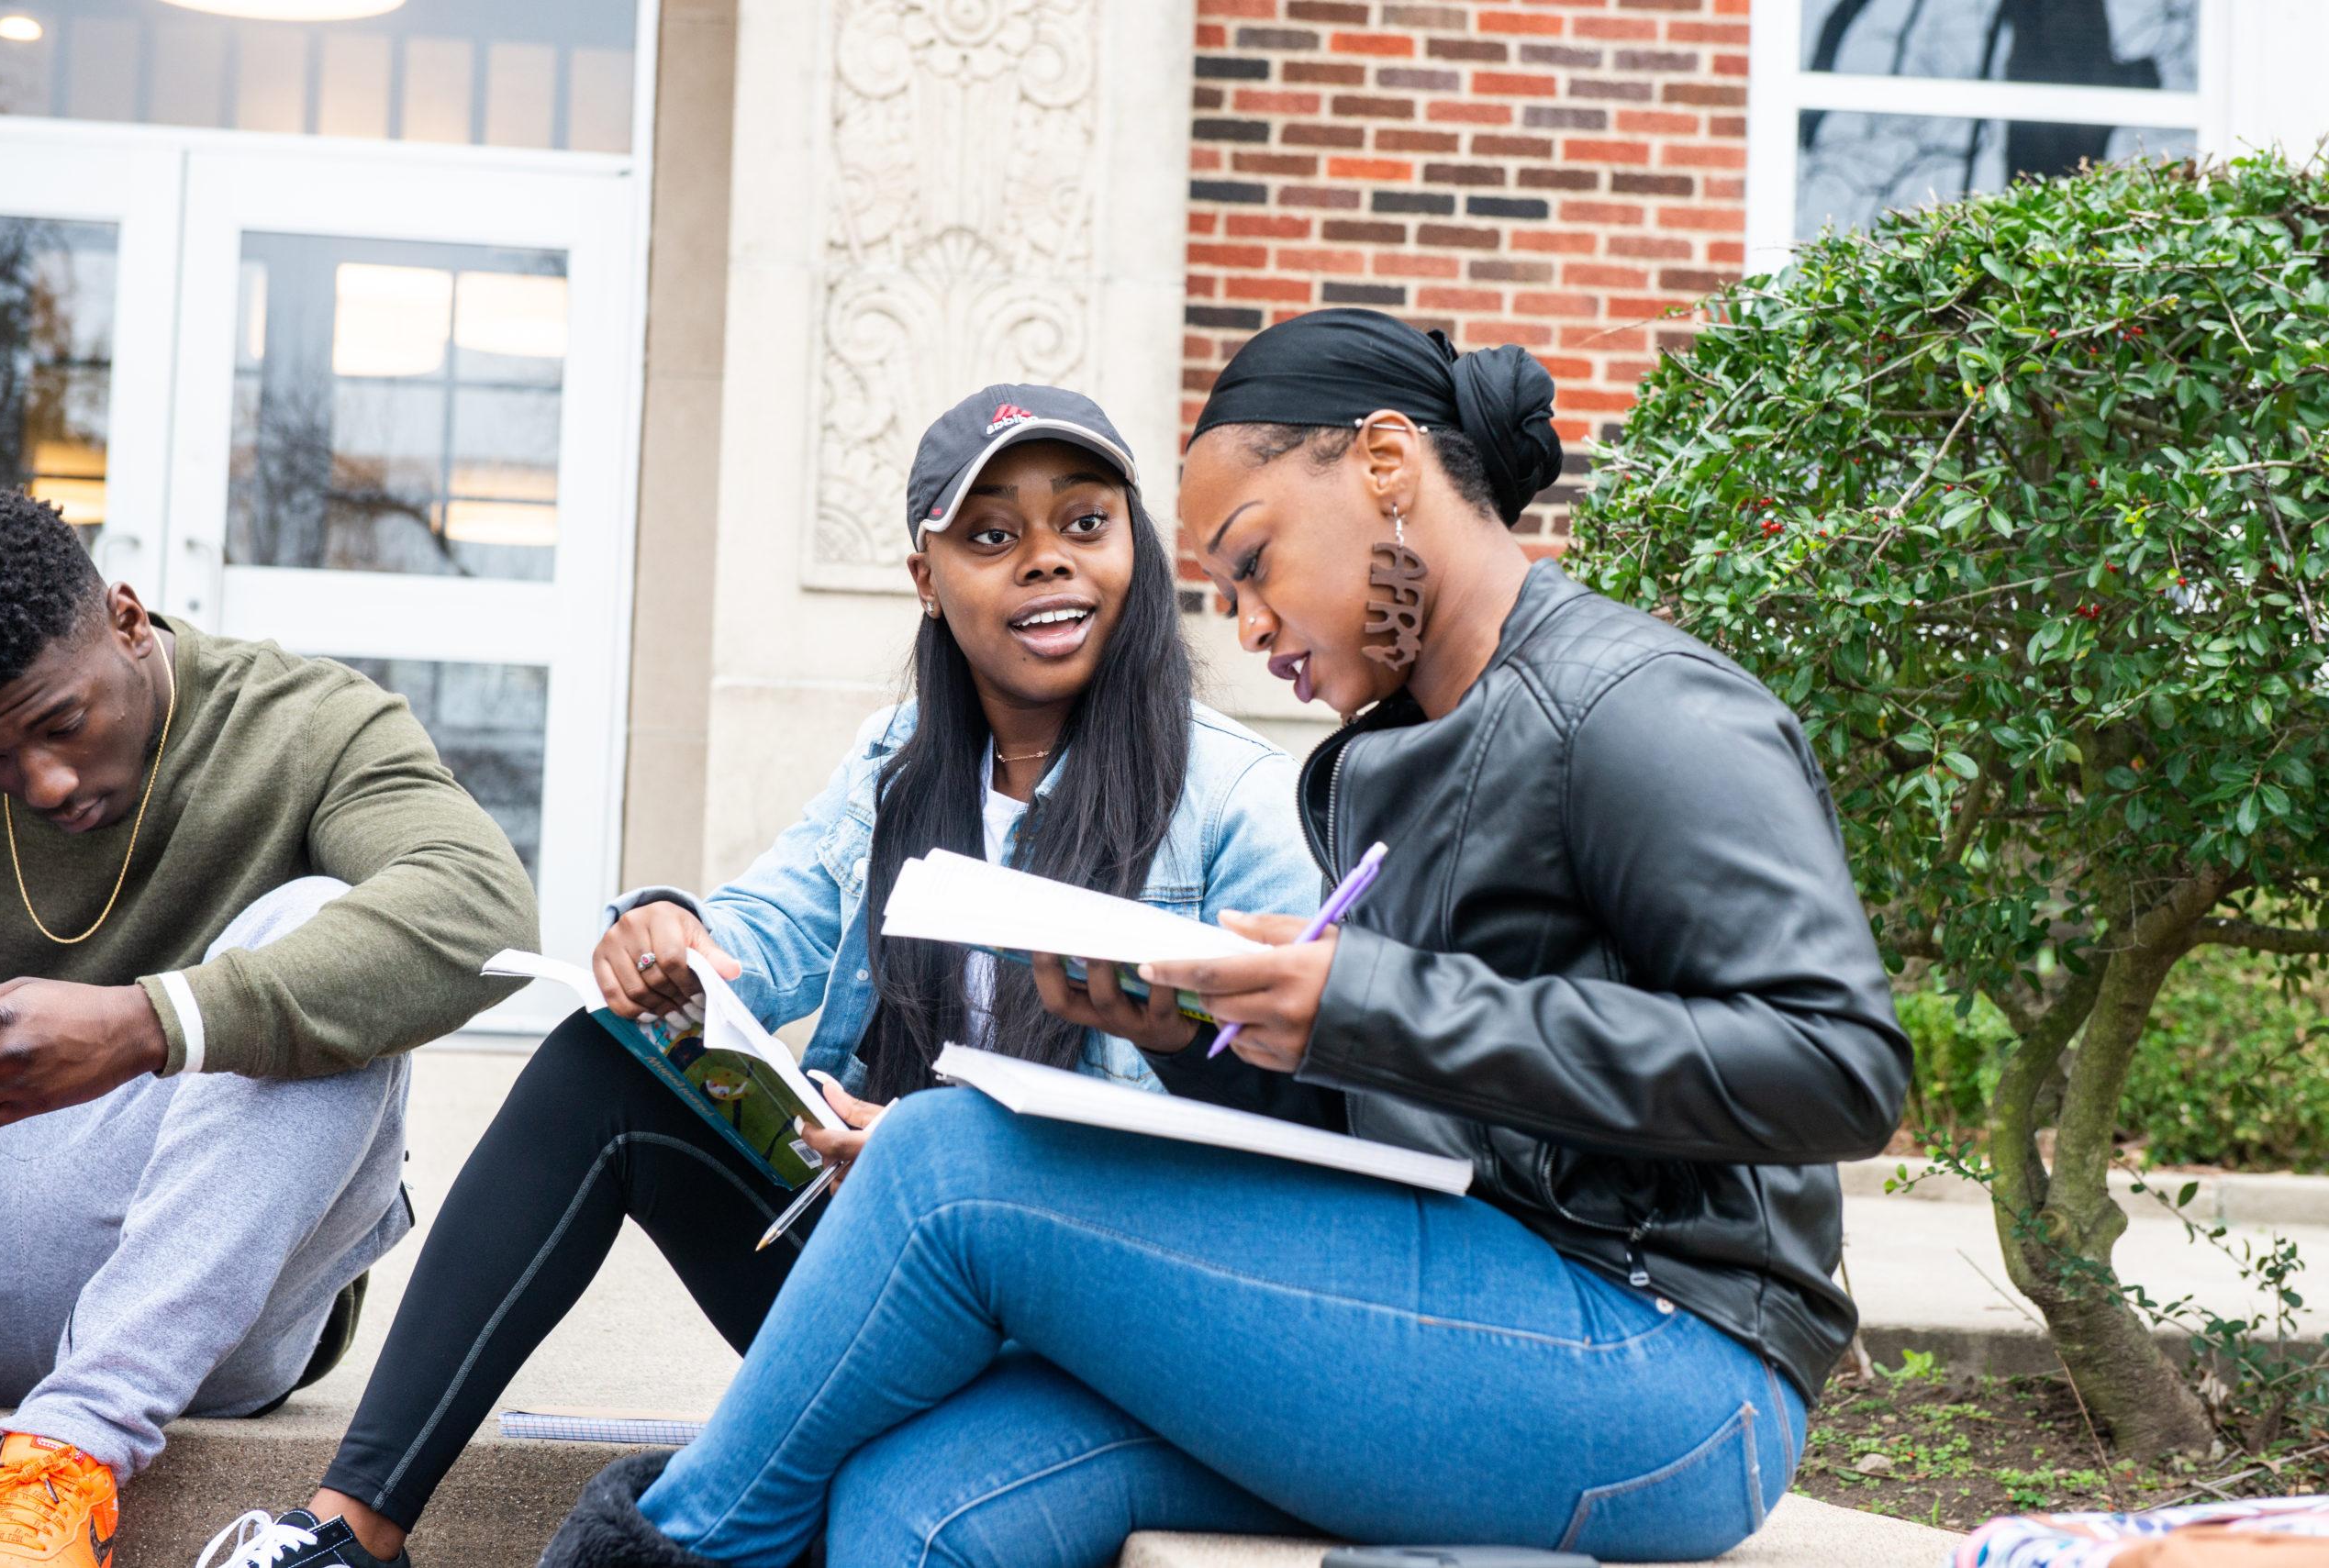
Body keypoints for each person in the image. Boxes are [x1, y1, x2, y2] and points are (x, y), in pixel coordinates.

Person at [530, 311, 1914, 1568]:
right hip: (1461, 1305)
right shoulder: (1391, 758)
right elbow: (1403, 1121)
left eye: (1252, 563)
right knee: (920, 1499)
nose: (1248, 627)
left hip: (1672, 1365)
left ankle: (681, 1551)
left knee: (951, 1164)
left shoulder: (1639, 708)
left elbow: (1840, 1067)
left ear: (1385, 466)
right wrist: (1199, 1040)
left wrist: (1365, 996)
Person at [196, 384, 1324, 1568]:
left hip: (1097, 1323)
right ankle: (343, 1533)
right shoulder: (897, 768)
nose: (1050, 563)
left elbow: (1281, 1144)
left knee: (936, 1188)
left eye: (1086, 524)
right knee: (604, 1058)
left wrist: (953, 1159)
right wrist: (676, 929)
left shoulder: (1237, 802)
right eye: (992, 536)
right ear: (926, 578)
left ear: (1134, 547)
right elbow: (767, 923)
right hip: (889, 1284)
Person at [0, 489, 540, 1568]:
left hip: (206, 1302)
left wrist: (155, 1023)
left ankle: (61, 1462)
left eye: (61, 724)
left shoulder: (306, 724)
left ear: (129, 619)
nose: (41, 780)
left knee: (326, 930)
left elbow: (483, 913)